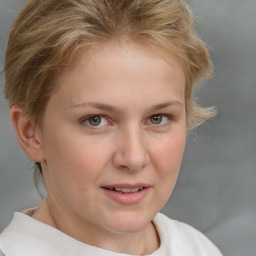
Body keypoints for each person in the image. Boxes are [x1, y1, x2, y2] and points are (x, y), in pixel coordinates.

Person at [0, 0, 222, 255]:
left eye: (158, 118)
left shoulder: (198, 248)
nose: (134, 158)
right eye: (96, 120)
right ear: (31, 133)